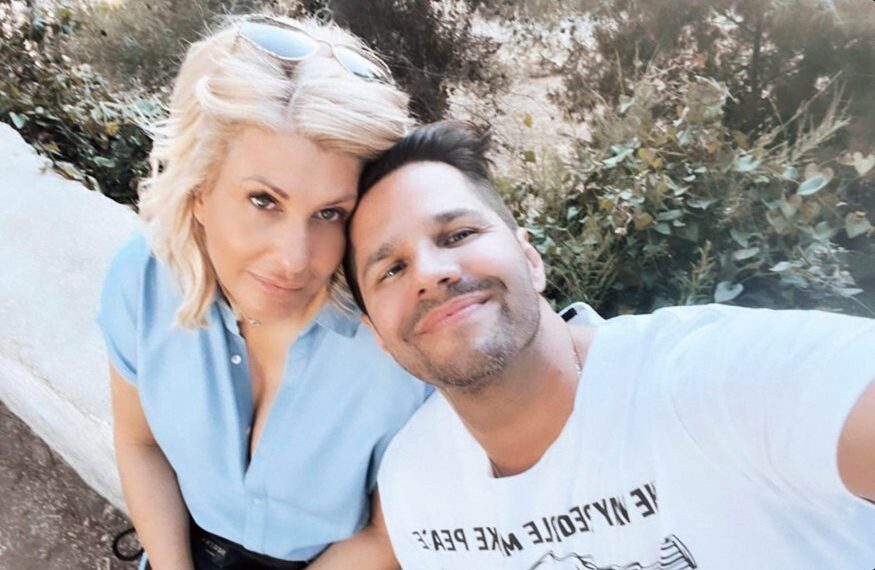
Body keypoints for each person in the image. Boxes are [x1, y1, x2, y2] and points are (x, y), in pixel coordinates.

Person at [343, 120, 875, 569]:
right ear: (378, 336)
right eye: (391, 269)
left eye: (458, 234)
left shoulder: (711, 380)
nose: (430, 273)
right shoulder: (415, 482)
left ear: (530, 259)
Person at [95, 15, 429, 570]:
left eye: (330, 213)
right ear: (199, 190)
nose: (295, 259)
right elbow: (140, 443)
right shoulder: (144, 280)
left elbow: (388, 533)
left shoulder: (400, 344)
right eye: (264, 201)